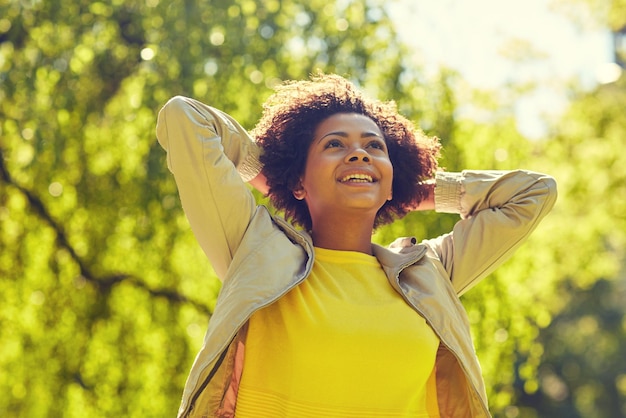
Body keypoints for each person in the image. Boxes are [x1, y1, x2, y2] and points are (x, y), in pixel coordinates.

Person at [156, 73, 557, 418]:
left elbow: (534, 192)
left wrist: (408, 194)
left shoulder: (430, 274)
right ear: (299, 179)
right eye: (335, 145)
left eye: (374, 147)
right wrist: (276, 179)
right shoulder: (254, 249)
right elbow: (184, 118)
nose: (359, 153)